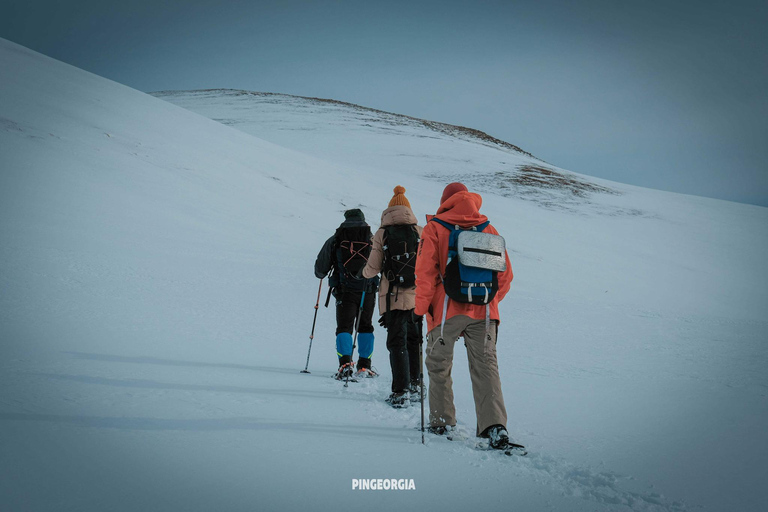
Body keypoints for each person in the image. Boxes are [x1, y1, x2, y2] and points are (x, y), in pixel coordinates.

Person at [414, 182, 517, 450]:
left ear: (445, 201)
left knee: (438, 366)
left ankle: (441, 421)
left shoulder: (434, 228)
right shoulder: (488, 229)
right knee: (486, 369)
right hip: (484, 314)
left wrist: (422, 308)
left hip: (445, 311)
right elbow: (505, 277)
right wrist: (488, 302)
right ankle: (495, 428)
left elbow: (424, 275)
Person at [361, 186, 423, 408]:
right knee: (415, 341)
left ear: (389, 210)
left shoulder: (382, 233)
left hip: (393, 297)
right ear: (408, 209)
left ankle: (400, 391)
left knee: (397, 343)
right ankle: (416, 386)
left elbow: (373, 268)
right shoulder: (420, 231)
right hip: (418, 297)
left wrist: (364, 273)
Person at [314, 209, 378, 379]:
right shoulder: (372, 239)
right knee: (365, 326)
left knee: (344, 327)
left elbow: (320, 270)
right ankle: (365, 365)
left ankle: (345, 364)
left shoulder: (336, 239)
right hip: (368, 290)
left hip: (345, 290)